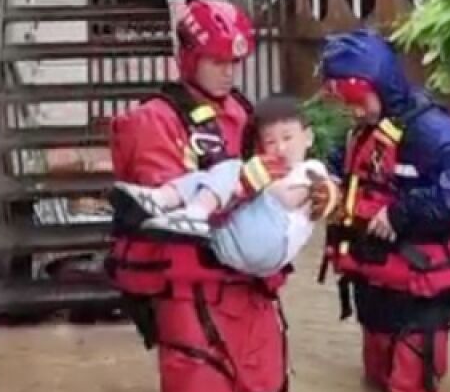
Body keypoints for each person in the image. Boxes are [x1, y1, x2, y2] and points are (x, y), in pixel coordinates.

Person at [106, 0, 337, 392]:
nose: (229, 72)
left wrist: (322, 189)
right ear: (189, 57)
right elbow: (164, 216)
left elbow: (293, 168)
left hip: (255, 293)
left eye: (234, 62)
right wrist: (244, 185)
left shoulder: (246, 111)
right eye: (216, 61)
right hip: (193, 299)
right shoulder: (154, 121)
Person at [318, 29, 450, 392]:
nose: (353, 110)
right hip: (376, 285)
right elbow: (343, 165)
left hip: (421, 296)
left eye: (357, 99)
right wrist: (327, 184)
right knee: (375, 382)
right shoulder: (365, 129)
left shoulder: (430, 128)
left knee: (409, 388)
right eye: (345, 102)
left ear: (379, 84)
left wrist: (399, 213)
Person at [112, 94, 336, 278]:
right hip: (234, 246)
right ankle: (162, 200)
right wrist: (244, 187)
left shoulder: (309, 168)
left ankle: (195, 213)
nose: (280, 148)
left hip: (270, 240)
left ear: (308, 138)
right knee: (208, 178)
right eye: (270, 142)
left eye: (288, 138)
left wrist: (251, 184)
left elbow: (293, 197)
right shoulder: (270, 169)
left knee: (232, 167)